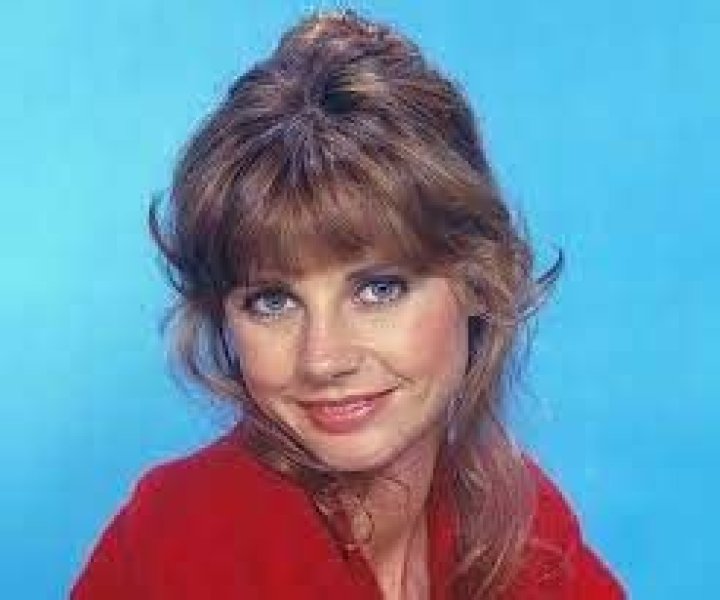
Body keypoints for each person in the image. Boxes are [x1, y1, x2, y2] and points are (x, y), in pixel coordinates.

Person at [71, 10, 625, 600]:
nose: (323, 359)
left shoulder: (522, 523)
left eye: (378, 289)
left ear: (478, 279)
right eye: (273, 301)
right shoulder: (179, 542)